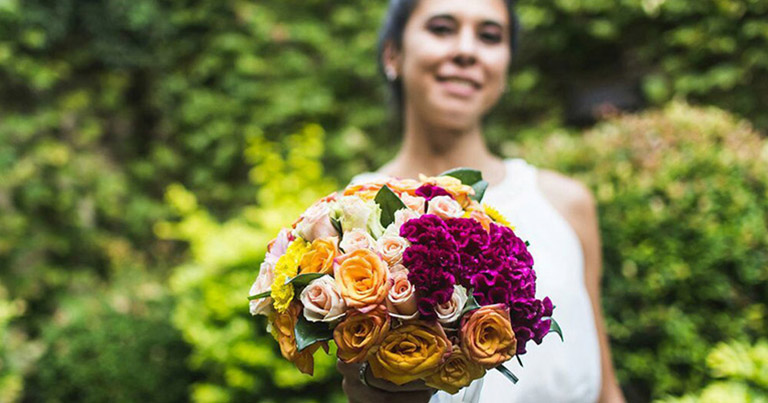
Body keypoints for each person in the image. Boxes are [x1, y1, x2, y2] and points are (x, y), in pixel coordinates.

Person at [336, 0, 626, 402]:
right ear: (393, 54)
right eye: (441, 28)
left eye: (490, 36)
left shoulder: (566, 204)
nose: (467, 50)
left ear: (504, 68)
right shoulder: (349, 217)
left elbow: (605, 389)